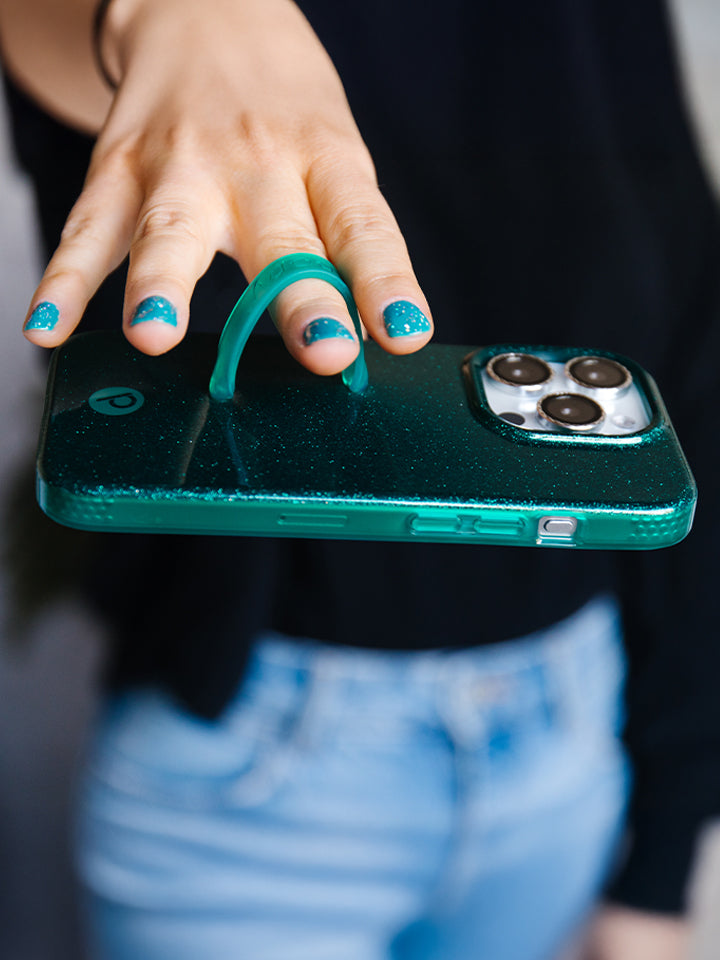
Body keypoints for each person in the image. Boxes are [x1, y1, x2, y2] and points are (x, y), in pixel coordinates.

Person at [1, 0, 719, 957]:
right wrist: (162, 16)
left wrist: (661, 862)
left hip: (571, 726)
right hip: (248, 770)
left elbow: (691, 342)